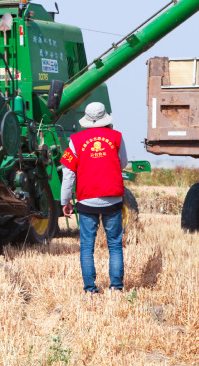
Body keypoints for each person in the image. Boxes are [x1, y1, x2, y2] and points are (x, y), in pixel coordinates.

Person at [60, 102, 128, 293]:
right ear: (105, 118)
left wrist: (65, 200)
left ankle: (90, 289)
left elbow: (68, 173)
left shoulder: (75, 140)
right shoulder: (117, 137)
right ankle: (117, 287)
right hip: (112, 198)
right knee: (114, 244)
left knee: (87, 246)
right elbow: (123, 163)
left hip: (87, 199)